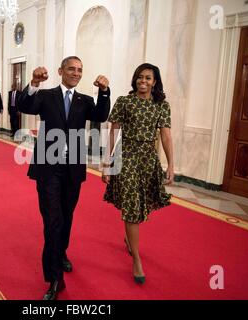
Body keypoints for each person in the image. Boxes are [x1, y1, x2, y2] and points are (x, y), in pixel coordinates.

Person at [18, 56, 111, 300]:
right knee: (52, 221)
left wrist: (104, 91)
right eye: (71, 69)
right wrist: (34, 83)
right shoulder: (45, 96)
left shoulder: (85, 100)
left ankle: (61, 253)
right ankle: (54, 279)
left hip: (73, 169)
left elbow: (101, 116)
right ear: (61, 71)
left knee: (66, 216)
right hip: (48, 167)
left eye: (80, 70)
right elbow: (23, 106)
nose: (76, 73)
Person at [102, 63, 174, 285]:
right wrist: (108, 161)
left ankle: (129, 239)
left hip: (148, 160)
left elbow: (166, 136)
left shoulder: (162, 105)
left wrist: (171, 165)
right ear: (135, 79)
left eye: (148, 78)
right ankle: (137, 259)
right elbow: (113, 131)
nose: (143, 81)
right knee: (133, 207)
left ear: (155, 82)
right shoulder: (124, 101)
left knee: (139, 205)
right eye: (140, 77)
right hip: (127, 158)